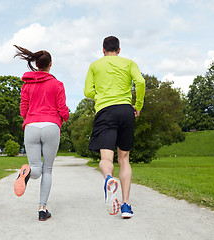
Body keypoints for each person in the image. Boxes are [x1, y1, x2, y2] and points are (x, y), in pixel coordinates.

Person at [84, 36, 145, 218]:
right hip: (126, 110)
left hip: (105, 111)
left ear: (103, 50)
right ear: (119, 49)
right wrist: (138, 105)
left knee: (106, 158)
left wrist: (100, 95)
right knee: (124, 159)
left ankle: (109, 179)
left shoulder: (95, 65)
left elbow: (87, 91)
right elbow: (140, 82)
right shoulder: (129, 63)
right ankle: (126, 206)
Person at [13, 46, 69, 221]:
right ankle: (42, 210)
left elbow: (23, 111)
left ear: (36, 65)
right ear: (50, 64)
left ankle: (27, 172)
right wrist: (65, 117)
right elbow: (62, 109)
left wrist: (32, 116)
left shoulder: (26, 85)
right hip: (51, 126)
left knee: (36, 168)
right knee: (48, 169)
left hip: (31, 126)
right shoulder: (57, 84)